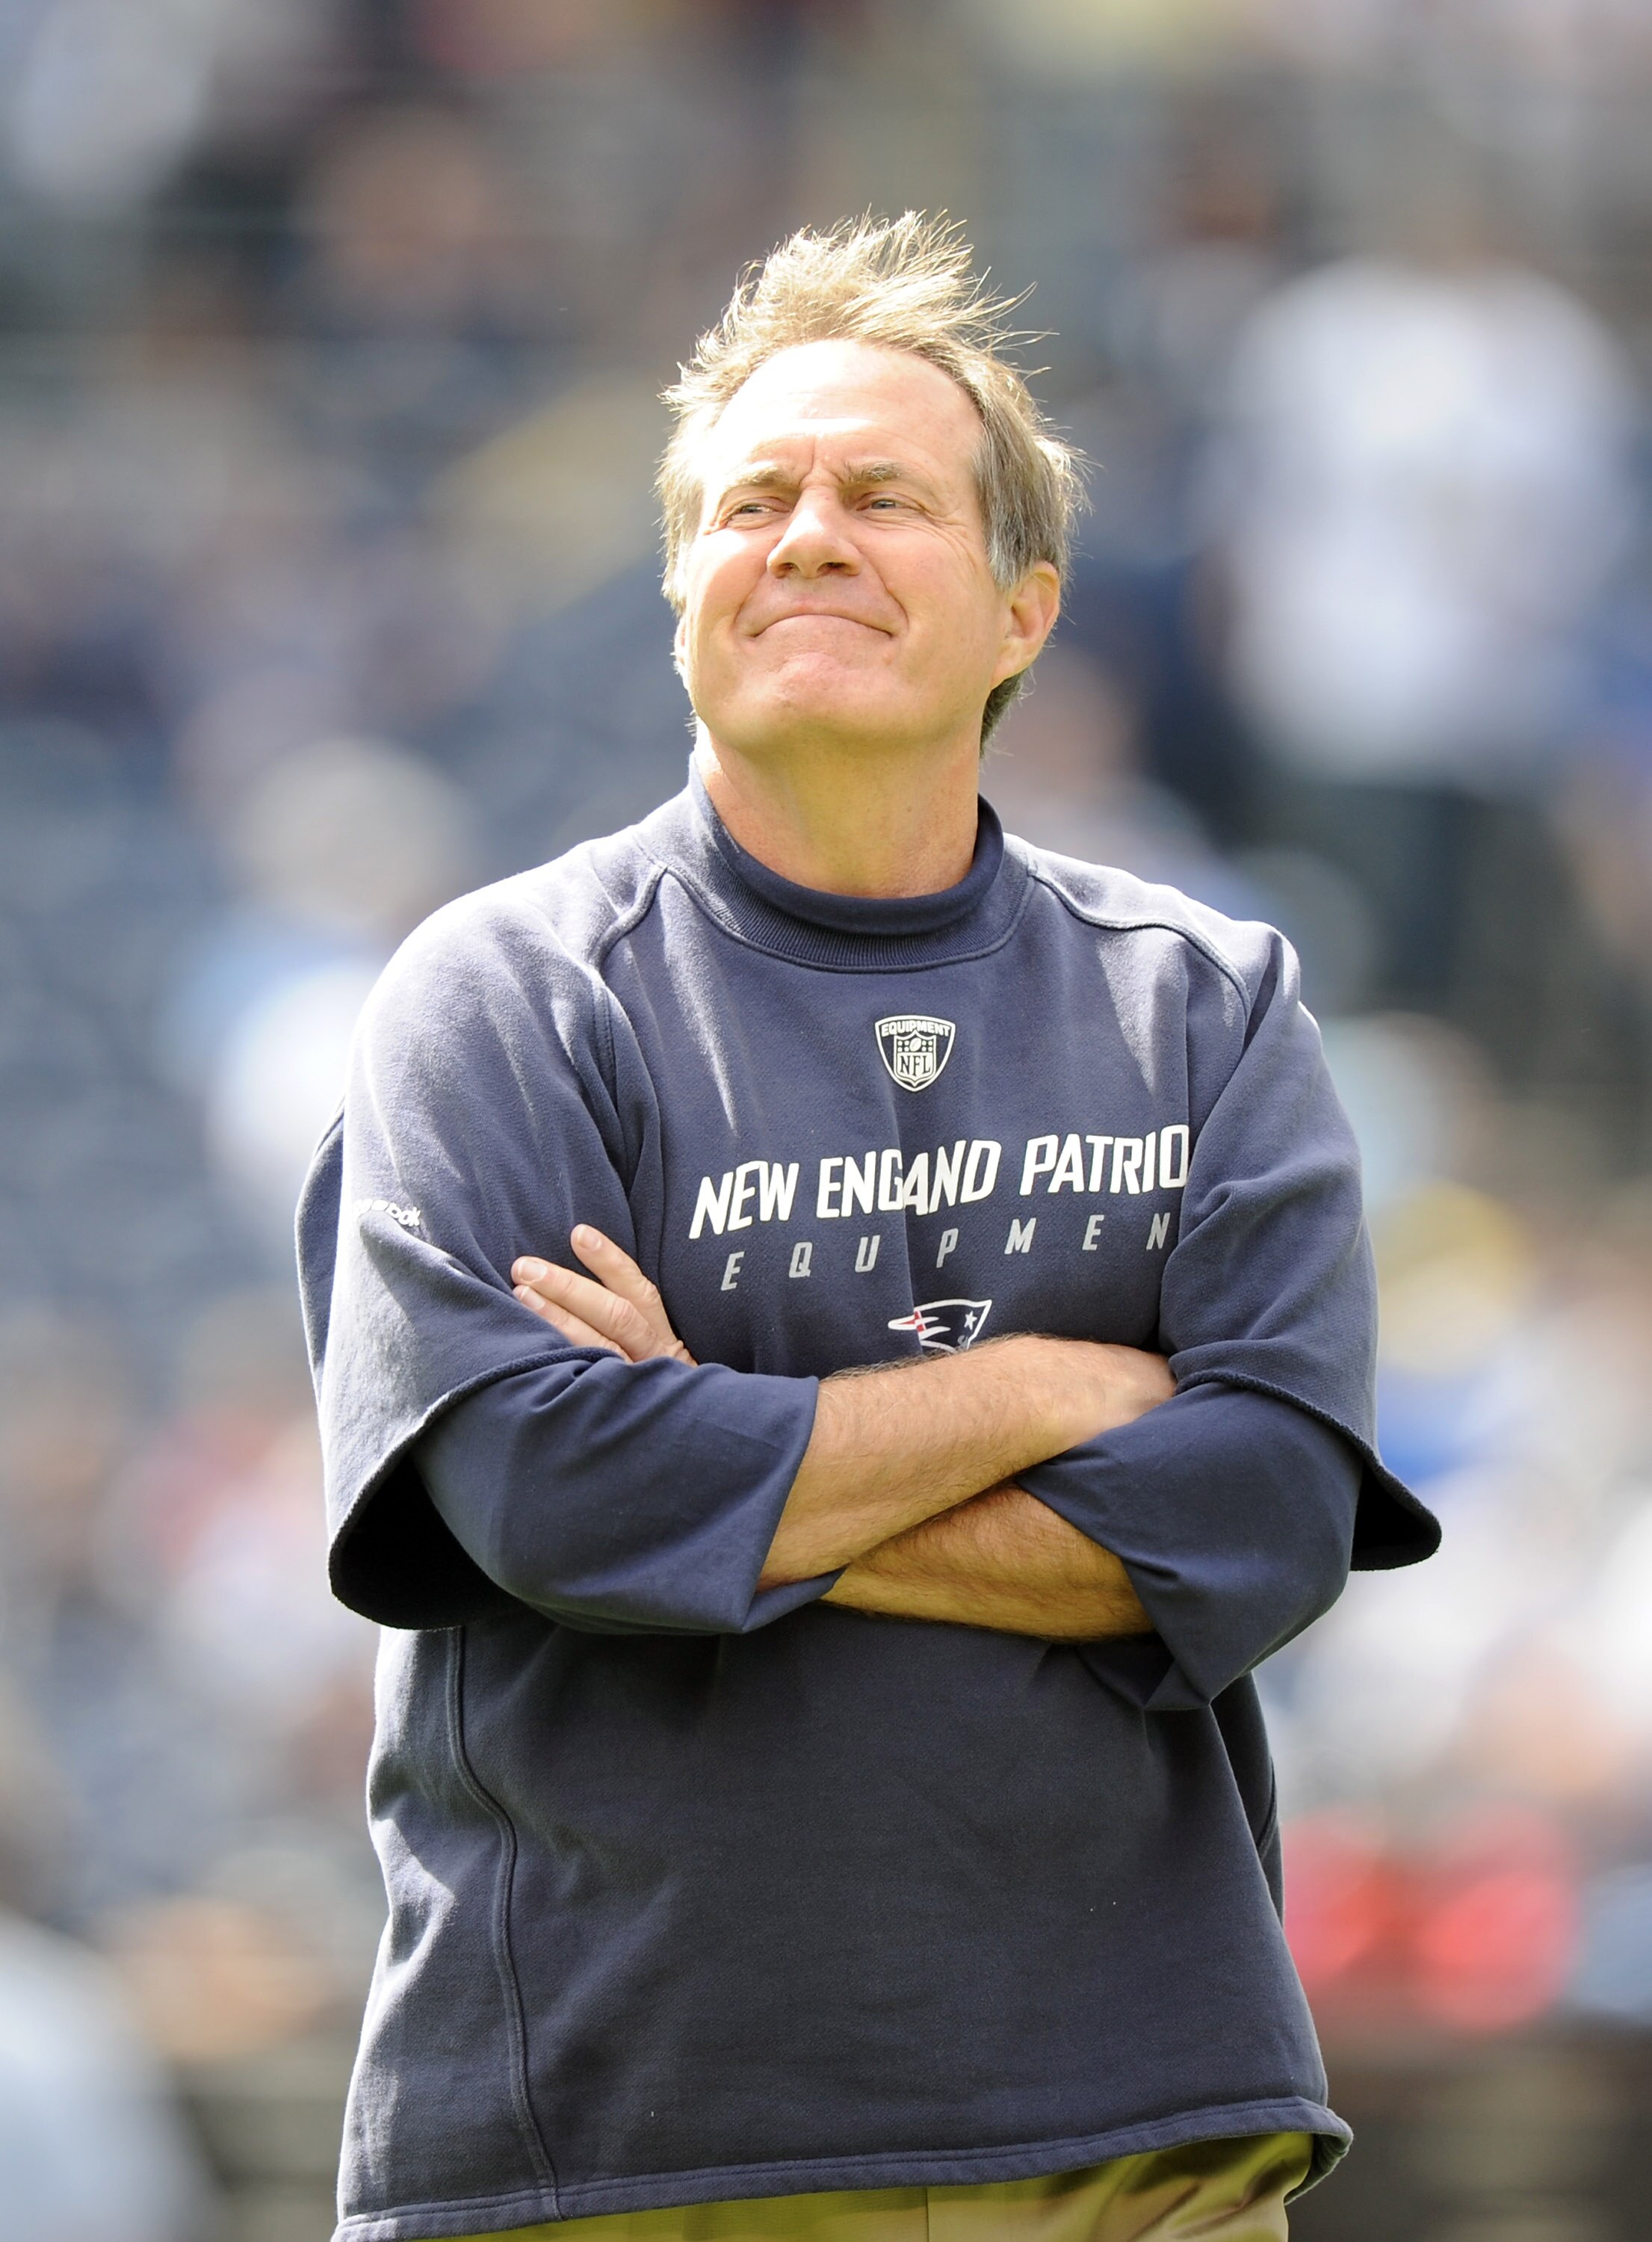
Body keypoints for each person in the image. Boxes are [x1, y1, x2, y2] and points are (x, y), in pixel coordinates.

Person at [298, 215, 1438, 2242]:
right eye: (755, 499)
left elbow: (1260, 1518)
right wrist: (1039, 1394)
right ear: (681, 589)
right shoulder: (501, 997)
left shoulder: (1200, 998)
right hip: (617, 2138)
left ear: (1023, 608)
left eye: (880, 497)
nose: (807, 534)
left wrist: (725, 1465)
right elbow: (545, 1492)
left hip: (1137, 2139)